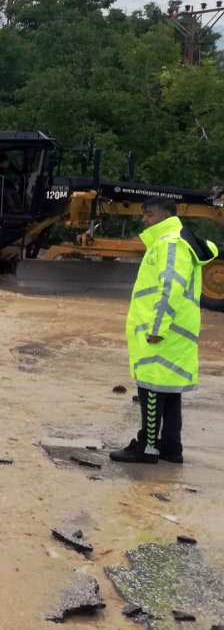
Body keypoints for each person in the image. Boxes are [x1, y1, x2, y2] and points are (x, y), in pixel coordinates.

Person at [110, 196, 219, 465]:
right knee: (169, 392)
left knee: (150, 389)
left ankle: (147, 447)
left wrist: (157, 328)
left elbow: (169, 287)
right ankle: (170, 446)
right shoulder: (175, 241)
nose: (144, 220)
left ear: (164, 215)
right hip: (175, 333)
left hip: (162, 334)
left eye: (148, 215)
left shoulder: (171, 243)